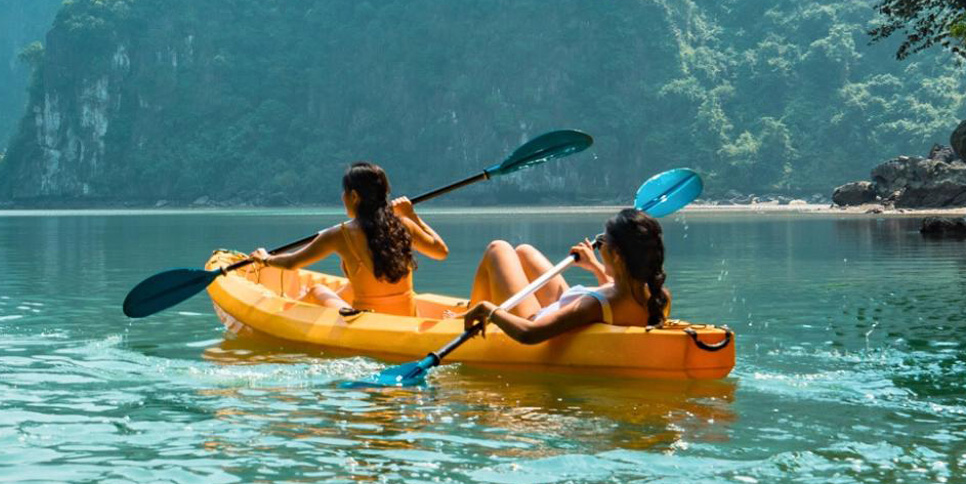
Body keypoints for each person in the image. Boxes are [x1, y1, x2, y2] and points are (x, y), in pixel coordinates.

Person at [249, 162, 448, 317]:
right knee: (351, 286)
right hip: (407, 318)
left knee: (317, 289)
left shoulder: (339, 235)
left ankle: (291, 315)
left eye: (345, 192)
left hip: (367, 322)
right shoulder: (403, 225)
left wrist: (265, 258)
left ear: (354, 196)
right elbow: (441, 252)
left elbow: (292, 262)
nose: (342, 196)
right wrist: (412, 215)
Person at [460, 207, 670, 344]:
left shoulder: (593, 305)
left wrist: (490, 310)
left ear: (616, 255)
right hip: (562, 305)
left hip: (534, 318)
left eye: (603, 241)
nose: (599, 246)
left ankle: (472, 312)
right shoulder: (657, 295)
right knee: (524, 251)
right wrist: (595, 266)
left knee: (498, 248)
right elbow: (618, 295)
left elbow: (529, 333)